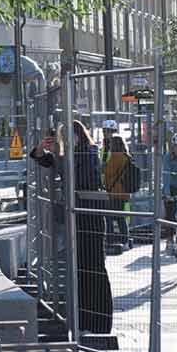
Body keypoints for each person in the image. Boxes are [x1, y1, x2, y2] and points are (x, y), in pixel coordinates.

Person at [30, 120, 113, 335]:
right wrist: (42, 148)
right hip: (75, 218)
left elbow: (84, 179)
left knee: (94, 267)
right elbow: (40, 158)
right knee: (79, 269)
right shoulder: (66, 157)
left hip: (90, 215)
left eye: (70, 136)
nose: (67, 141)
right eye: (63, 137)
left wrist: (63, 159)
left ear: (80, 136)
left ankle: (100, 321)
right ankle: (83, 320)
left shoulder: (89, 152)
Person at [102, 135, 136, 248]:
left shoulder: (115, 157)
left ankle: (112, 240)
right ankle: (125, 240)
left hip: (115, 191)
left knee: (109, 216)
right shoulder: (126, 156)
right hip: (123, 191)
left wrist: (104, 164)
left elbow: (108, 172)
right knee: (120, 216)